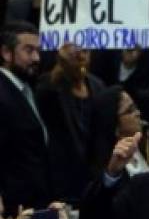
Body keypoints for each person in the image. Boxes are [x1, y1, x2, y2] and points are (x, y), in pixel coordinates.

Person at [36, 44, 106, 204]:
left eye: (86, 51)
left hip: (91, 168)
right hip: (62, 172)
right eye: (76, 54)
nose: (81, 57)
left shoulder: (97, 85)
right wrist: (62, 66)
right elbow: (44, 95)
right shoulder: (51, 85)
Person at [0, 22, 52, 213]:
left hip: (35, 207)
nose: (37, 58)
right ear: (6, 53)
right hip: (12, 212)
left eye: (38, 51)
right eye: (28, 50)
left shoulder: (28, 89)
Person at [90, 86, 149, 178]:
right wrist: (112, 174)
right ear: (115, 126)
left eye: (135, 107)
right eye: (130, 111)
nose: (138, 113)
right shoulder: (106, 166)